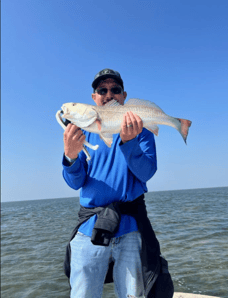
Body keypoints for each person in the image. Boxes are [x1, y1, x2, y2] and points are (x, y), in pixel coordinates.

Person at [62, 68, 174, 298]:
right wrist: (71, 156)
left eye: (115, 89)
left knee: (134, 294)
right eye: (102, 90)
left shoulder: (141, 130)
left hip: (131, 227)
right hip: (90, 227)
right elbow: (75, 182)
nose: (109, 94)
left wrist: (129, 142)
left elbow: (147, 172)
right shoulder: (81, 131)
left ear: (124, 96)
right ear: (93, 98)